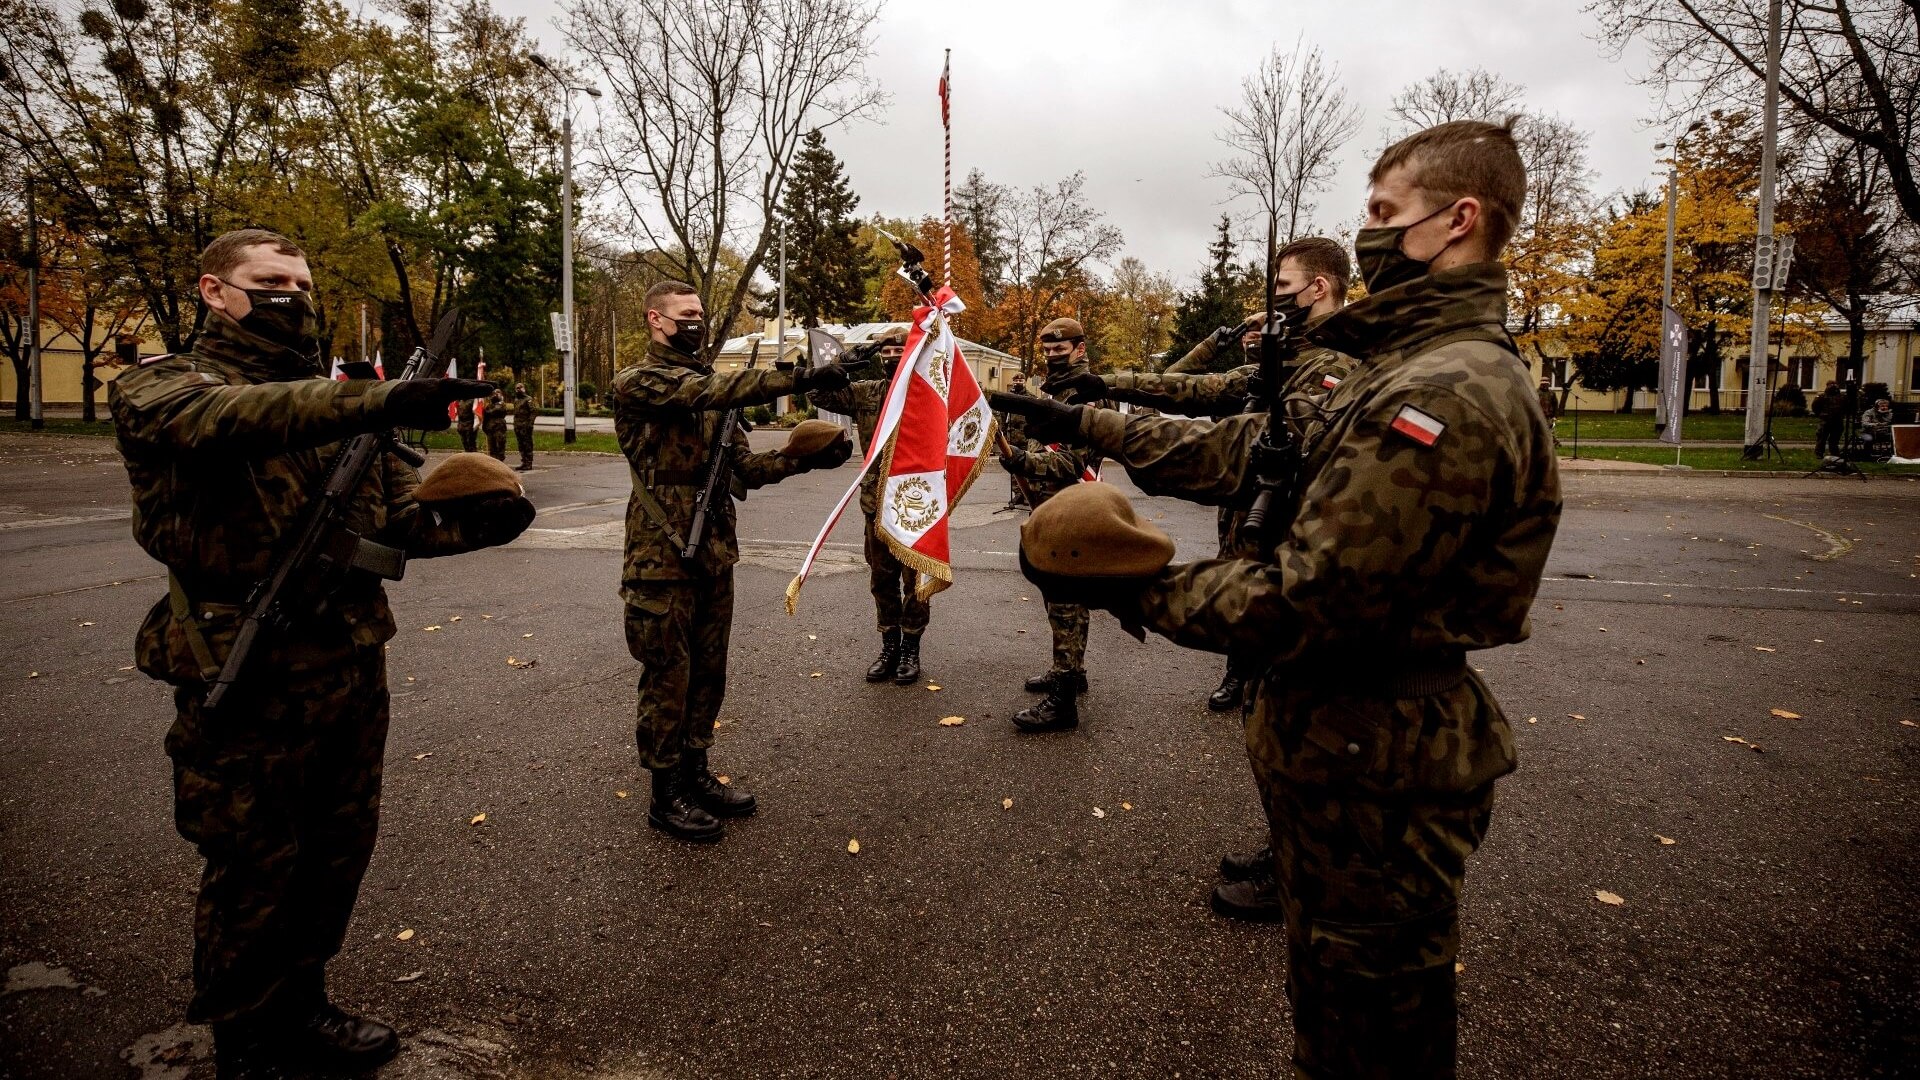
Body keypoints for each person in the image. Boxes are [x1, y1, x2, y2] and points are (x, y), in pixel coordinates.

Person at [1008, 120, 1561, 1077]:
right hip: (1341, 747)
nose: (1374, 232)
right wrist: (1085, 417)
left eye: (1387, 213)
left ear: (1459, 219)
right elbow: (1244, 449)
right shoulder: (1400, 366)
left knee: (1371, 1036)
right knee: (1335, 1011)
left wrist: (1136, 589)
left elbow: (1314, 599)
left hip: (1382, 763)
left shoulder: (1448, 392)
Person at [108, 228, 530, 1078]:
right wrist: (372, 402)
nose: (291, 298)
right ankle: (248, 1040)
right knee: (252, 865)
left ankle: (303, 1005)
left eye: (301, 283)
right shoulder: (166, 386)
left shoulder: (342, 411)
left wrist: (486, 519)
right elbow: (224, 423)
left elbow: (396, 525)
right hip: (243, 661)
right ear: (214, 291)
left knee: (337, 849)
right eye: (269, 281)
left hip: (345, 660)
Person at [1052, 237, 1357, 718]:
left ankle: (1261, 683)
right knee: (1240, 579)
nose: (1271, 300)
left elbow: (1234, 447)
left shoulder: (1337, 366)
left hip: (1293, 538)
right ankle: (1239, 674)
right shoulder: (1286, 359)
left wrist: (1097, 426)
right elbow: (1202, 387)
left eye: (1282, 286)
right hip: (1249, 520)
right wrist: (1108, 383)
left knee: (1273, 614)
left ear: (1318, 288)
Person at [615, 280, 854, 843]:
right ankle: (664, 791)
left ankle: (696, 773)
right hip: (661, 555)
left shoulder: (714, 397)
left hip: (714, 553)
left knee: (708, 671)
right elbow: (704, 391)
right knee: (668, 675)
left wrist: (803, 461)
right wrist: (795, 377)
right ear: (656, 319)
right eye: (685, 314)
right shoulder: (642, 381)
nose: (696, 321)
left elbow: (745, 471)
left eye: (700, 312)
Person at [998, 317, 1108, 733]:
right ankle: (1072, 671)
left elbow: (1074, 461)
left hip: (1072, 507)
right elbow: (1031, 438)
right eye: (1047, 348)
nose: (1052, 354)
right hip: (1048, 507)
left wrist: (1024, 461)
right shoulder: (1049, 390)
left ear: (1080, 348)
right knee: (1056, 594)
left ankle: (1063, 701)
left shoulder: (1087, 392)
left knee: (1066, 598)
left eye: (1060, 348)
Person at [809, 326, 934, 685]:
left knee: (916, 582)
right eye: (888, 351)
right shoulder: (866, 393)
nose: (894, 356)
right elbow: (819, 393)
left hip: (916, 506)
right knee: (882, 579)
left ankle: (911, 647)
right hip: (875, 502)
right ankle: (889, 644)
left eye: (902, 349)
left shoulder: (929, 394)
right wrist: (846, 364)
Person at [999, 371, 1034, 510]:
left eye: (1021, 381)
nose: (1018, 383)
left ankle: (1027, 494)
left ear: (1025, 382)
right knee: (1013, 466)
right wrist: (1002, 433)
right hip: (1011, 436)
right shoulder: (1008, 397)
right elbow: (1003, 416)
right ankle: (1018, 493)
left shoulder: (1031, 398)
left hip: (1026, 437)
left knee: (1027, 464)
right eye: (1016, 381)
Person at [1812, 381, 1846, 458]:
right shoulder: (1822, 397)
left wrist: (1842, 415)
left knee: (1834, 439)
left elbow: (1845, 407)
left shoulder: (1841, 397)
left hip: (1837, 421)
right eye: (1831, 385)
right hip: (1825, 420)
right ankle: (1819, 453)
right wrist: (1821, 415)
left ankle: (1834, 452)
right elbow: (1815, 407)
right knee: (1822, 438)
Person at [513, 382, 536, 470]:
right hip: (518, 427)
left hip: (526, 427)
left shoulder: (528, 399)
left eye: (520, 388)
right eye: (517, 388)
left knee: (527, 445)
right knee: (521, 445)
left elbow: (533, 412)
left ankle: (529, 463)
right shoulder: (516, 400)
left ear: (524, 388)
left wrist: (530, 424)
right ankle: (524, 462)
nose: (519, 389)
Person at [482, 388, 508, 461]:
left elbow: (495, 410)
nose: (496, 394)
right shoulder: (489, 405)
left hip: (499, 428)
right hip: (490, 428)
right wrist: (484, 427)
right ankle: (493, 461)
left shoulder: (501, 404)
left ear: (501, 395)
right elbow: (485, 417)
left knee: (500, 445)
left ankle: (500, 461)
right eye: (494, 393)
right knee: (492, 446)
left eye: (498, 393)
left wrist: (487, 411)